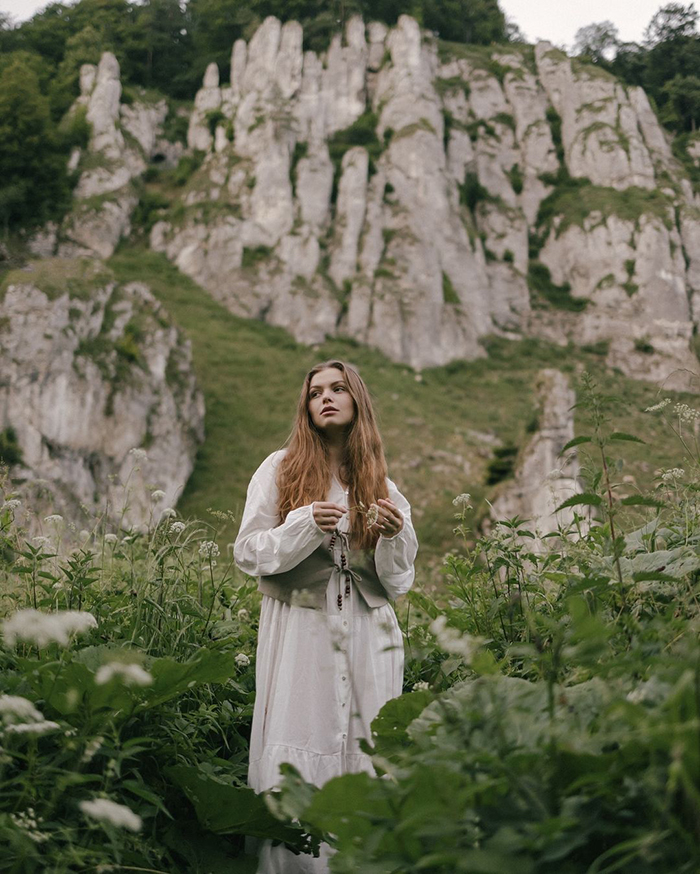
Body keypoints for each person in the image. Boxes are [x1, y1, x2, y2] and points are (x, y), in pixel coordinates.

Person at [233, 359, 418, 873]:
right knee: (303, 734)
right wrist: (303, 524)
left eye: (339, 389)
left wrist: (392, 532)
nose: (327, 398)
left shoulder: (379, 480)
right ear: (307, 407)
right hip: (302, 629)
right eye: (316, 392)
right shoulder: (280, 467)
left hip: (365, 628)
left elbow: (400, 579)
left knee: (363, 741)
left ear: (357, 399)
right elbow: (248, 552)